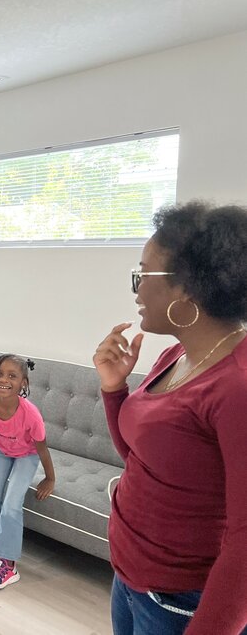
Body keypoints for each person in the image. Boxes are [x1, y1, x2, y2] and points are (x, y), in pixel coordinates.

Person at [93, 201, 247, 634]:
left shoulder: (237, 386)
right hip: (131, 579)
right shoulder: (176, 354)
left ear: (188, 287)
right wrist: (113, 388)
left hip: (181, 603)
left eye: (144, 274)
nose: (137, 290)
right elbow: (140, 457)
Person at [0, 354, 55, 589]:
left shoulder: (31, 414)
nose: (4, 379)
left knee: (11, 503)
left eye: (12, 376)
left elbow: (42, 447)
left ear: (23, 383)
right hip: (2, 453)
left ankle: (8, 563)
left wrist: (50, 478)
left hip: (27, 456)